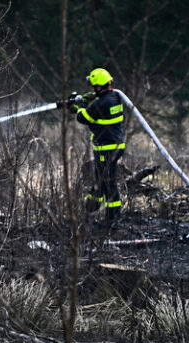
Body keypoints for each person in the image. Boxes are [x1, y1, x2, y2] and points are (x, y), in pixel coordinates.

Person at [70, 68, 125, 229]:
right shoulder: (115, 97)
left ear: (100, 86)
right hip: (115, 146)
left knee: (108, 183)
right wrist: (87, 102)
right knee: (100, 181)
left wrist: (81, 104)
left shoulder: (101, 104)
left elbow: (83, 117)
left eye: (95, 87)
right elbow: (94, 116)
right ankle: (90, 212)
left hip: (106, 149)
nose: (93, 89)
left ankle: (112, 219)